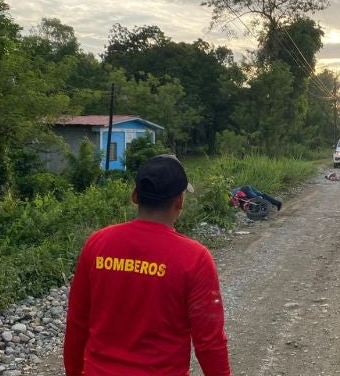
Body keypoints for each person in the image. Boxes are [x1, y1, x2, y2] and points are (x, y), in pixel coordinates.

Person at [64, 154, 231, 376]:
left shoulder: (97, 244)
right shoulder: (195, 258)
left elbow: (77, 323)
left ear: (135, 196)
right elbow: (209, 342)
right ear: (179, 201)